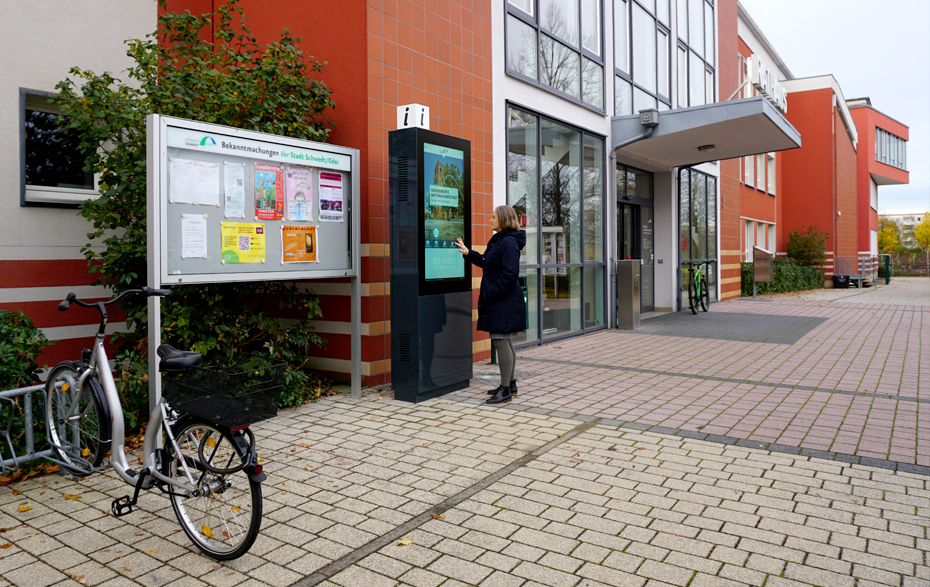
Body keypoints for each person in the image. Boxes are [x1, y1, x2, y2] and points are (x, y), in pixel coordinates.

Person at [455, 205, 526, 404]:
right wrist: (469, 253)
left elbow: (510, 274)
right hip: (502, 301)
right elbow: (488, 262)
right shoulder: (499, 241)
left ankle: (505, 391)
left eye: (493, 217)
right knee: (506, 341)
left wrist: (492, 292)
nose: (489, 220)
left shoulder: (509, 243)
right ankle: (510, 384)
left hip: (503, 302)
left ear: (503, 220)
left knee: (501, 341)